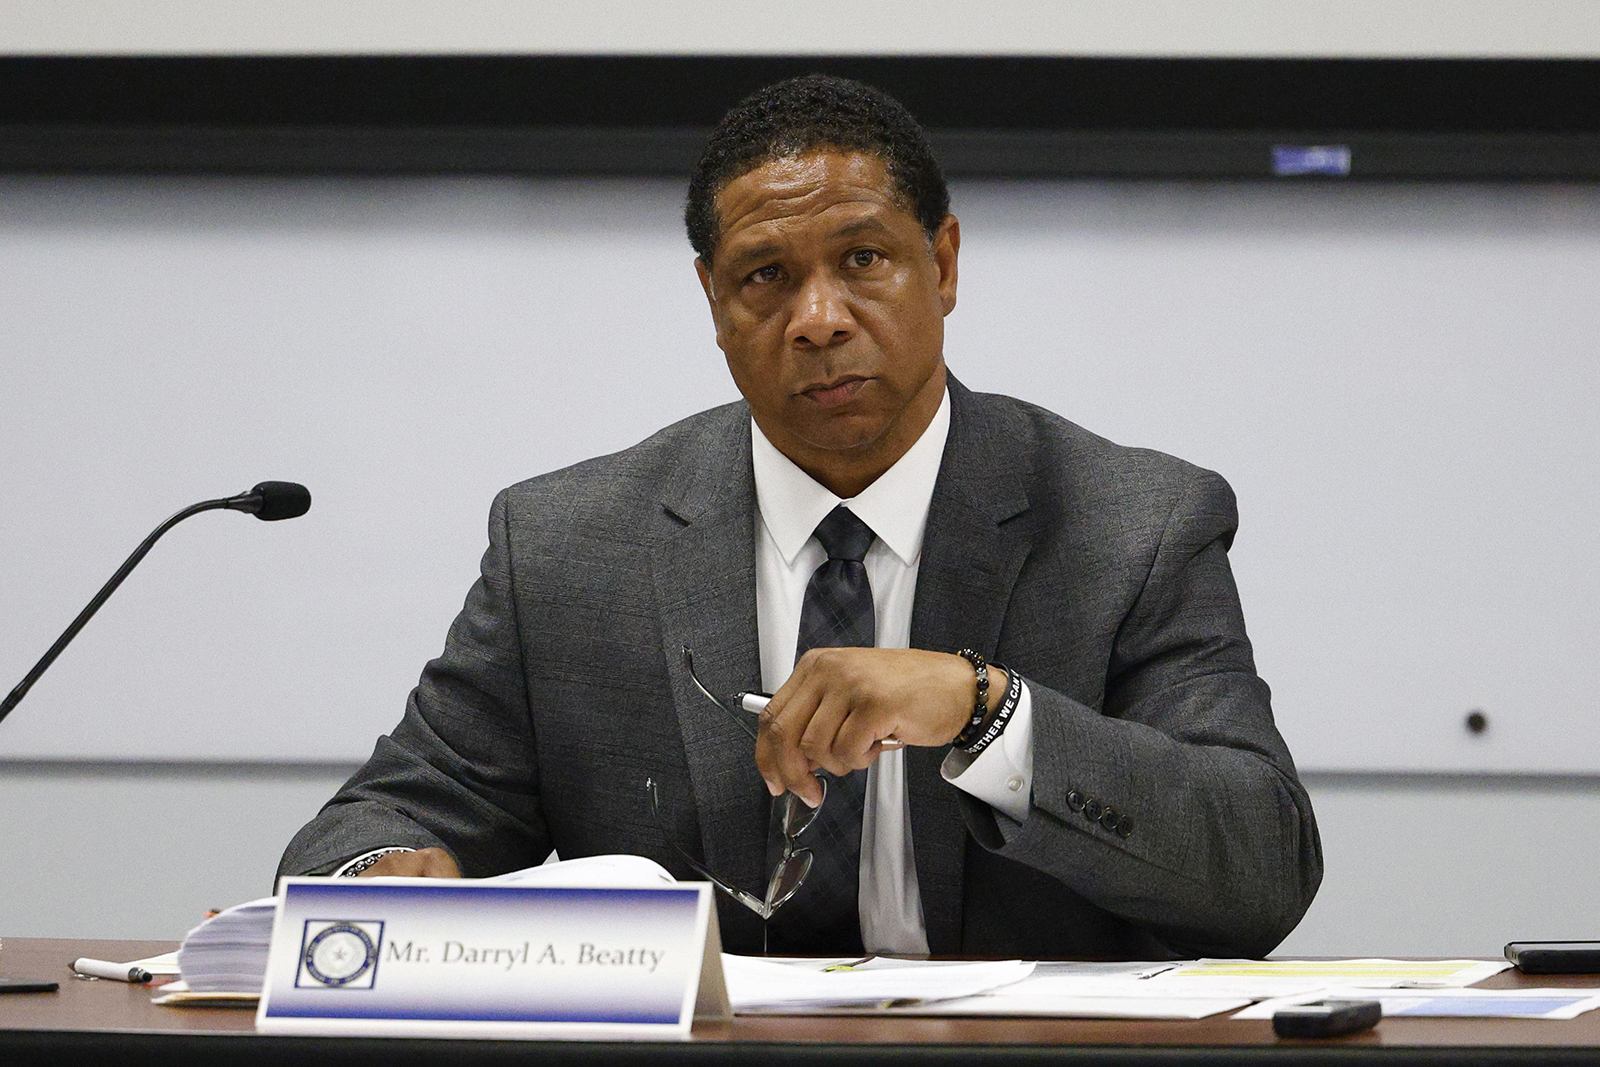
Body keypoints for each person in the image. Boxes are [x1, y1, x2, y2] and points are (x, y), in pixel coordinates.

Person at [279, 74, 1321, 959]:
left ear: (943, 264)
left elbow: (1262, 866)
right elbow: (373, 823)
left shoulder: (1131, 526)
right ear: (713, 302)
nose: (818, 319)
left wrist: (985, 709)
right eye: (766, 277)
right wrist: (386, 870)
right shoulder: (566, 547)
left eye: (862, 259)